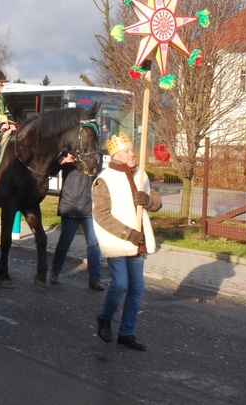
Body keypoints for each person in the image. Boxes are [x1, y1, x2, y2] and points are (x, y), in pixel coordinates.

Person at [93, 132, 162, 352]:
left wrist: (149, 201)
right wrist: (128, 233)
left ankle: (126, 332)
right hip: (118, 241)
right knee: (121, 284)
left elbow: (157, 201)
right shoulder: (104, 179)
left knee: (137, 288)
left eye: (133, 149)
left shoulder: (141, 174)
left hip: (139, 241)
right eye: (127, 150)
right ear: (116, 155)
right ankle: (104, 317)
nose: (132, 153)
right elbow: (101, 215)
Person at [50, 151, 105, 291]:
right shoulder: (66, 154)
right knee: (64, 243)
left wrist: (77, 160)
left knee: (93, 245)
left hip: (88, 208)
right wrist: (59, 161)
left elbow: (94, 168)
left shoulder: (93, 155)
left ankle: (94, 279)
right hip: (70, 208)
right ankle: (55, 272)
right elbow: (50, 172)